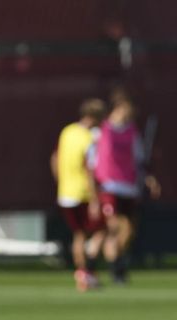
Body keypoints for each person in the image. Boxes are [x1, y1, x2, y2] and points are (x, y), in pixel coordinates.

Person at [92, 91, 161, 284]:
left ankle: (115, 263)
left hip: (128, 186)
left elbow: (138, 159)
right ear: (118, 108)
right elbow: (91, 158)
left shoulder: (132, 131)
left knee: (127, 232)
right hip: (109, 185)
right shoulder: (102, 130)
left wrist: (148, 178)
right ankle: (115, 269)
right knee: (117, 226)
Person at [52, 98, 107, 291]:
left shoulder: (67, 131)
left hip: (66, 193)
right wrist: (94, 199)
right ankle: (88, 272)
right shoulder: (89, 138)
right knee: (101, 230)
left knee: (79, 235)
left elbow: (55, 158)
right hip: (83, 193)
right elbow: (90, 170)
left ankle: (81, 273)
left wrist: (61, 181)